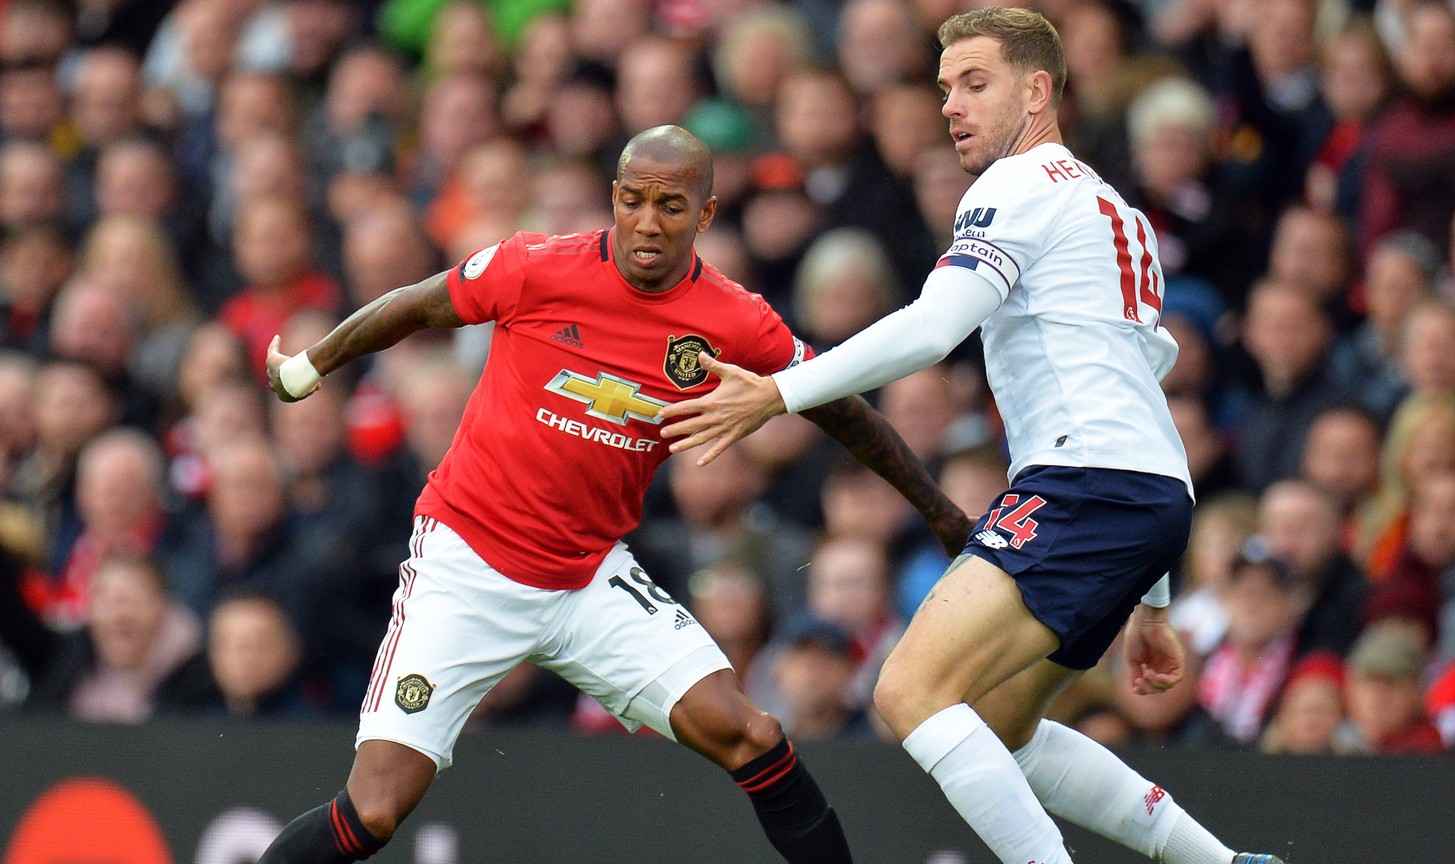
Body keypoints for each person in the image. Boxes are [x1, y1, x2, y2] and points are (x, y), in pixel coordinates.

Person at [660, 8, 1282, 864]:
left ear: (1037, 91)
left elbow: (930, 330)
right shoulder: (1117, 213)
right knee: (998, 728)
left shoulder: (1016, 187)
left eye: (976, 84)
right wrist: (1153, 598)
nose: (952, 105)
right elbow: (1141, 400)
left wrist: (777, 392)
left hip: (1083, 483)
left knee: (912, 689)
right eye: (946, 86)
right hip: (1146, 496)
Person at [255, 125, 970, 864]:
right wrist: (306, 369)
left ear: (706, 215)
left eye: (670, 205)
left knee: (751, 733)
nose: (648, 223)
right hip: (467, 565)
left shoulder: (734, 321)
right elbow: (414, 305)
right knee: (374, 811)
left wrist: (942, 513)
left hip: (587, 576)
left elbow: (843, 408)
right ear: (613, 200)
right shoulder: (534, 266)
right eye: (632, 201)